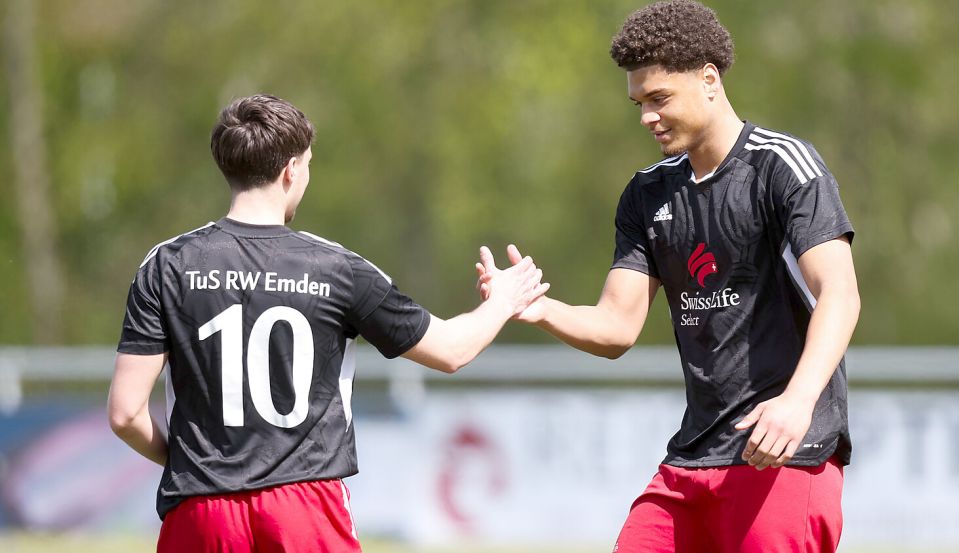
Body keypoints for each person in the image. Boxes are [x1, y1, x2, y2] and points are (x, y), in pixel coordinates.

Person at [477, 1, 860, 551]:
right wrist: (538, 310)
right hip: (691, 461)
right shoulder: (647, 193)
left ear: (709, 81)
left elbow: (840, 294)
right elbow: (616, 328)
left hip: (783, 458)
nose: (646, 117)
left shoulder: (782, 166)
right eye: (638, 102)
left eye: (659, 99)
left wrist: (796, 403)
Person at [107, 94, 548, 553]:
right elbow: (451, 351)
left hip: (201, 511)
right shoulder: (336, 267)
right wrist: (503, 300)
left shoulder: (168, 265)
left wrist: (190, 463)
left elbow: (125, 414)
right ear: (291, 170)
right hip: (304, 506)